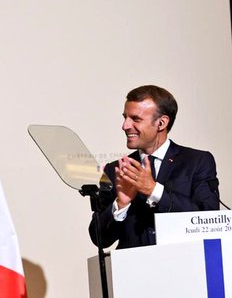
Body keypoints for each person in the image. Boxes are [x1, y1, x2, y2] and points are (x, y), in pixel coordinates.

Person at [89, 85, 219, 249]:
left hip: (185, 267)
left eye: (135, 119)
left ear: (161, 123)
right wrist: (120, 205)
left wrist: (154, 190)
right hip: (133, 270)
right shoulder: (114, 169)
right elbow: (99, 238)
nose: (125, 126)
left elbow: (209, 219)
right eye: (125, 117)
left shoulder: (198, 161)